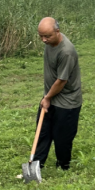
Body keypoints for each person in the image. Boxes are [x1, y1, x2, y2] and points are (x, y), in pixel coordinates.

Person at [33, 17, 83, 171]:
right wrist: (47, 97)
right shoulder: (49, 43)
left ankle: (63, 166)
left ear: (57, 31)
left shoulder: (66, 52)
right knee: (42, 133)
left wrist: (47, 97)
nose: (44, 40)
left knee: (62, 138)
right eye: (41, 36)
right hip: (50, 97)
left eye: (47, 36)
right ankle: (36, 166)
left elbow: (61, 80)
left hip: (67, 102)